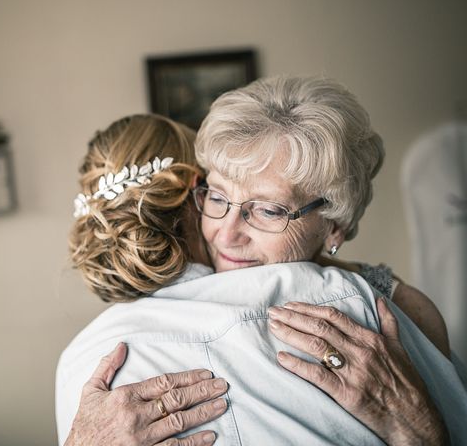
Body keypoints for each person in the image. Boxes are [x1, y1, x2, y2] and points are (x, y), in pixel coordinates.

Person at [57, 80, 466, 444]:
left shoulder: (401, 313)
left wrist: (418, 429)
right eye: (217, 198)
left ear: (335, 226)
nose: (227, 233)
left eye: (269, 210)